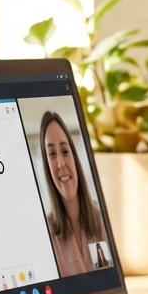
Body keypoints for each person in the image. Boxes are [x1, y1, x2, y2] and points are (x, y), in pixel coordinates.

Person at [39, 110, 108, 276]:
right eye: (52, 154)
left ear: (74, 158)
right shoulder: (45, 235)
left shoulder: (102, 221)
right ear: (47, 166)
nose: (61, 163)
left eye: (65, 151)